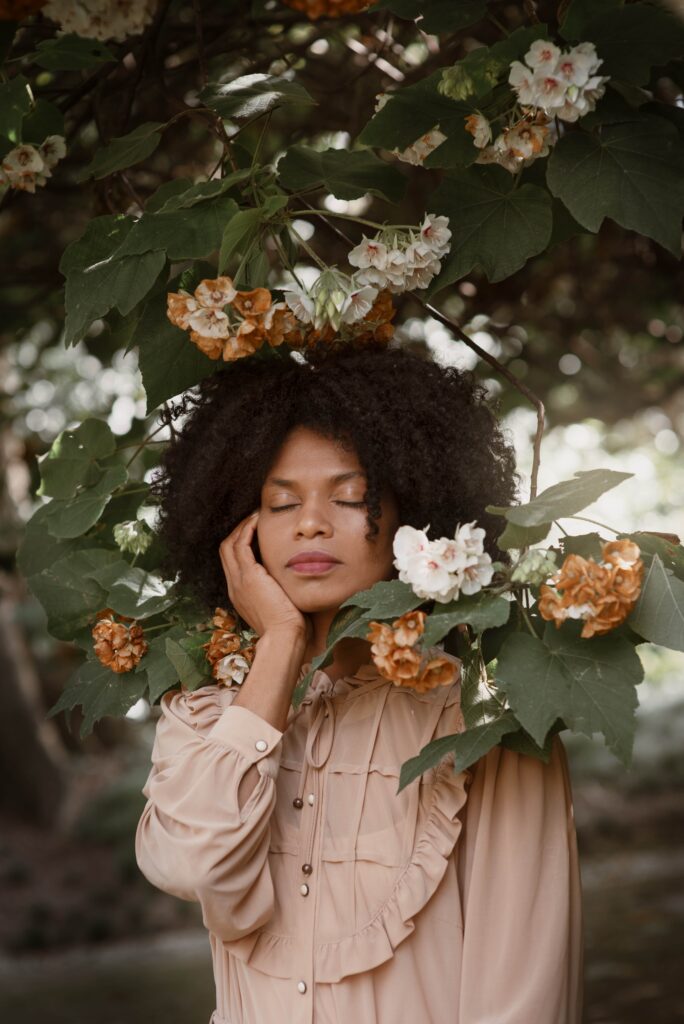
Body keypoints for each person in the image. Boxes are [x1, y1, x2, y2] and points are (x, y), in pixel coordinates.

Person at [134, 342, 584, 1023]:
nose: (312, 522)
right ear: (236, 531)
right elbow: (195, 868)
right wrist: (280, 645)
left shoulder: (485, 717)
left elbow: (523, 989)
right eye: (280, 505)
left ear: (415, 515)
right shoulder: (206, 718)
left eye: (350, 497)